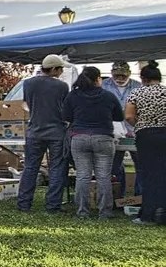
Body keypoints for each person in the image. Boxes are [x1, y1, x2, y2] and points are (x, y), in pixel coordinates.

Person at [62, 66, 123, 220]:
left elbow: (66, 116)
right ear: (98, 79)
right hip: (103, 137)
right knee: (103, 177)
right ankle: (105, 212)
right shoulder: (108, 96)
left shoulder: (73, 95)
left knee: (82, 176)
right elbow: (119, 116)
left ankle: (82, 212)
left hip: (79, 137)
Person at [16, 54, 70, 213]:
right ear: (53, 69)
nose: (61, 72)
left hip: (35, 131)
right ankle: (53, 205)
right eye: (60, 69)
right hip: (56, 132)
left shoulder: (28, 83)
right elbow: (65, 108)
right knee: (57, 168)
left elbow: (27, 103)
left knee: (30, 167)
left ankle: (24, 204)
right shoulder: (62, 86)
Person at [125, 61, 166, 225]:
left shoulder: (136, 93)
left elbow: (128, 116)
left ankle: (148, 215)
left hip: (146, 135)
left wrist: (140, 125)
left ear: (143, 78)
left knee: (148, 174)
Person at [105, 61, 142, 200]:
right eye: (116, 76)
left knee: (140, 164)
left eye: (122, 76)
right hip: (113, 130)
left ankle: (139, 196)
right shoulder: (104, 85)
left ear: (129, 74)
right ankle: (117, 195)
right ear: (112, 74)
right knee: (114, 166)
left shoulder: (138, 86)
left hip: (134, 128)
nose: (119, 79)